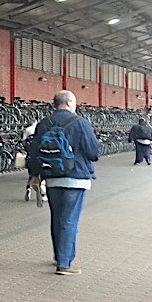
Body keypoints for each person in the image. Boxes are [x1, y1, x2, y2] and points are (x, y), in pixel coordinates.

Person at [27, 90, 100, 276]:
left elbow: (34, 151)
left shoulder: (45, 123)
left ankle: (59, 255)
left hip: (51, 178)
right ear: (69, 103)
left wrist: (34, 175)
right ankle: (64, 263)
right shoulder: (80, 123)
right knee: (69, 220)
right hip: (76, 178)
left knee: (57, 218)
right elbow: (94, 153)